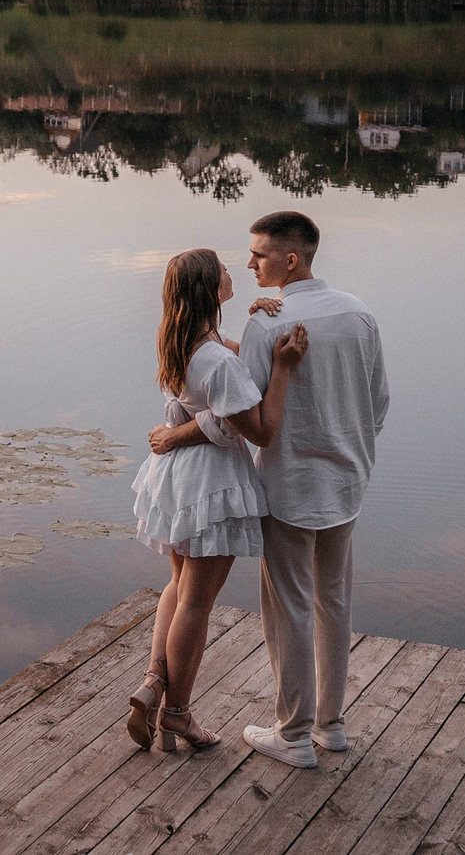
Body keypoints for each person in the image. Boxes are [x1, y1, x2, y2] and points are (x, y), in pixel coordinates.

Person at [149, 210, 388, 769]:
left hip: (290, 484)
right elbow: (377, 405)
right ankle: (331, 726)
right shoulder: (360, 313)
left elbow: (242, 417)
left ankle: (294, 734)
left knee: (290, 608)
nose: (250, 262)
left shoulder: (267, 326)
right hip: (348, 481)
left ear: (290, 259)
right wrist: (349, 452)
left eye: (258, 254)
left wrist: (175, 435)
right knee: (335, 600)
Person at [126, 248, 308, 754]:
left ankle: (154, 683)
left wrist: (258, 326)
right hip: (212, 484)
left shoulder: (179, 340)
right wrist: (284, 367)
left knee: (178, 586)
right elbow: (261, 430)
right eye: (225, 269)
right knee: (196, 602)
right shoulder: (217, 360)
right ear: (210, 287)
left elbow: (231, 371)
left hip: (177, 480)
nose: (235, 270)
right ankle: (177, 714)